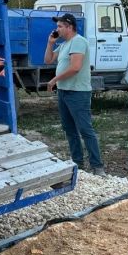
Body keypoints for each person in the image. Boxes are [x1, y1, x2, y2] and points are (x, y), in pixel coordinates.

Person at [45, 13, 106, 176]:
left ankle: (98, 167)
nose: (57, 29)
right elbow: (48, 60)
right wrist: (50, 43)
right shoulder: (65, 44)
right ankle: (78, 163)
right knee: (69, 129)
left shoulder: (78, 41)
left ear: (69, 27)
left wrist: (54, 80)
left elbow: (75, 68)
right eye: (57, 26)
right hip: (64, 92)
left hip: (78, 93)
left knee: (85, 129)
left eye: (60, 26)